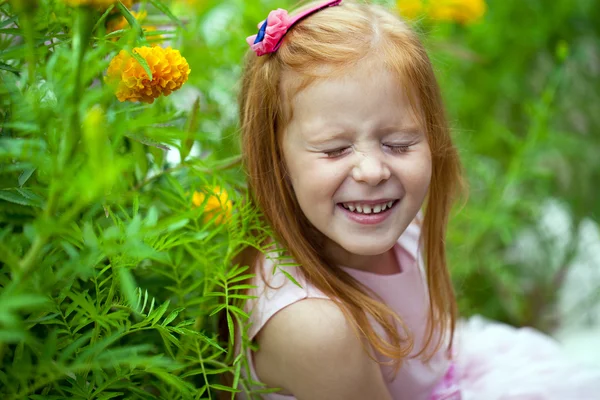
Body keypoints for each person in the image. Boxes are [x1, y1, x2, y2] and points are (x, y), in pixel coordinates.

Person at [221, 1, 600, 399]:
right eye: (334, 149)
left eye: (399, 143)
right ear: (276, 159)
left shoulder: (396, 226)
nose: (373, 171)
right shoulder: (316, 328)